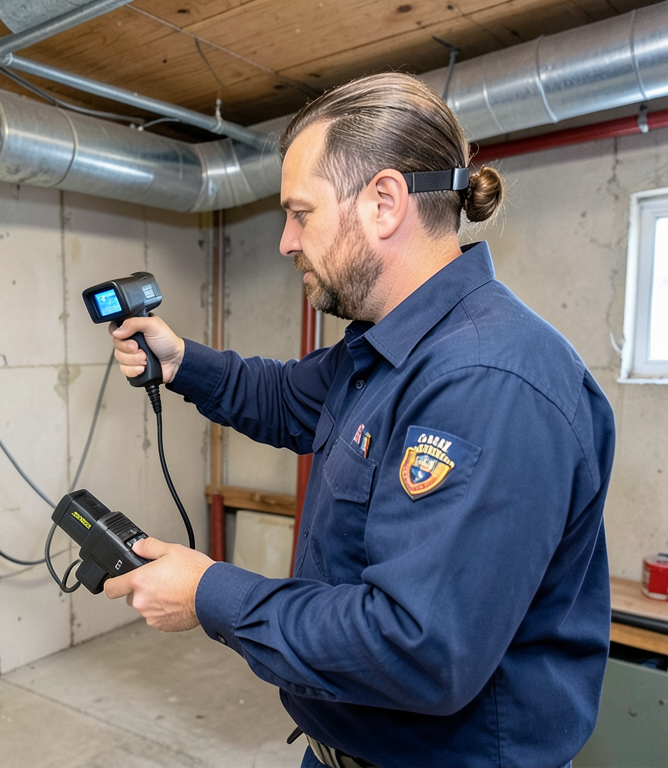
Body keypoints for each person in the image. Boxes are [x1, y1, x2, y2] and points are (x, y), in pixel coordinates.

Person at [103, 72, 615, 768]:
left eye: (300, 212)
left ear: (383, 202)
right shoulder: (387, 345)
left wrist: (207, 591)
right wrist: (181, 360)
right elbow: (287, 399)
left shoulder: (486, 381)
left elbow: (417, 648)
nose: (286, 242)